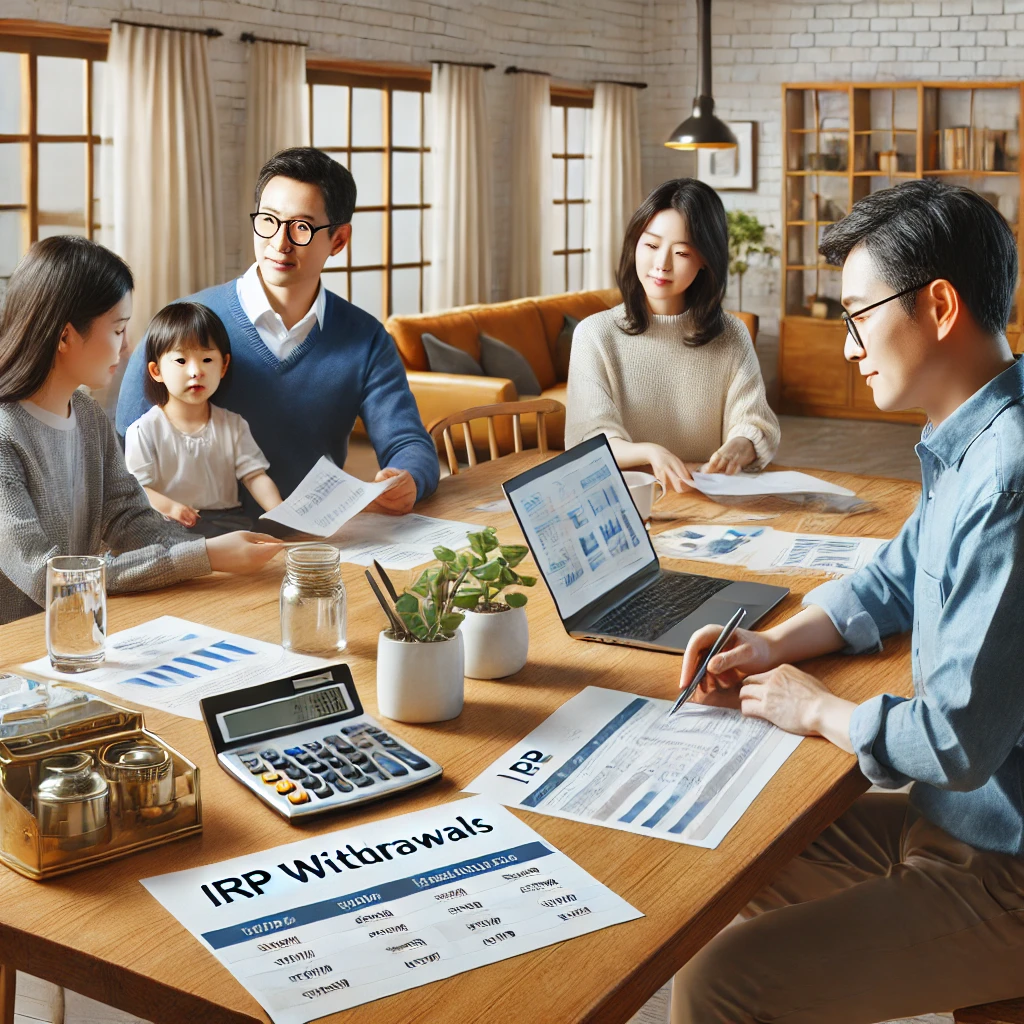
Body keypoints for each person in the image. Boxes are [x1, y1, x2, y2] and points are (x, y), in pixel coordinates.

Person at [670, 179, 1024, 1023]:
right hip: (959, 827)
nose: (850, 344)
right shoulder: (968, 435)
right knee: (744, 840)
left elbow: (956, 742)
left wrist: (820, 711)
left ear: (938, 306)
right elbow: (895, 577)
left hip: (1004, 865)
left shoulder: (1008, 473)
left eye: (860, 314)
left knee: (719, 985)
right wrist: (774, 645)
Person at [116, 147, 439, 518]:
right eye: (268, 220)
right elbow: (120, 456)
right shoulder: (181, 329)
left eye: (301, 227)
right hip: (201, 549)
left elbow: (409, 442)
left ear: (338, 240)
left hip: (311, 544)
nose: (279, 242)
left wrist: (408, 477)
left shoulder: (366, 340)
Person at [0, 236, 282, 626]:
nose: (129, 346)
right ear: (65, 336)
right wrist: (206, 557)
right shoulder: (4, 436)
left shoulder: (88, 415)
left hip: (85, 633)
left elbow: (129, 519)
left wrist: (210, 551)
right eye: (118, 330)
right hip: (18, 654)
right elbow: (52, 580)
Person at [565, 178, 779, 493]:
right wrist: (650, 451)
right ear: (635, 244)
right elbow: (589, 438)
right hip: (629, 501)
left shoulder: (731, 334)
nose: (661, 265)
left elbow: (755, 422)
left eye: (681, 253)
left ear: (705, 261)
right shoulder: (595, 335)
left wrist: (740, 445)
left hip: (707, 498)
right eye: (651, 245)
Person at [125, 301, 283, 538]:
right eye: (181, 361)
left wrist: (280, 512)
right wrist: (171, 508)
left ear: (223, 365)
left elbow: (255, 476)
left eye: (207, 360)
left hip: (227, 524)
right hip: (168, 525)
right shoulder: (144, 430)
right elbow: (136, 490)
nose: (196, 371)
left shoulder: (233, 425)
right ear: (156, 371)